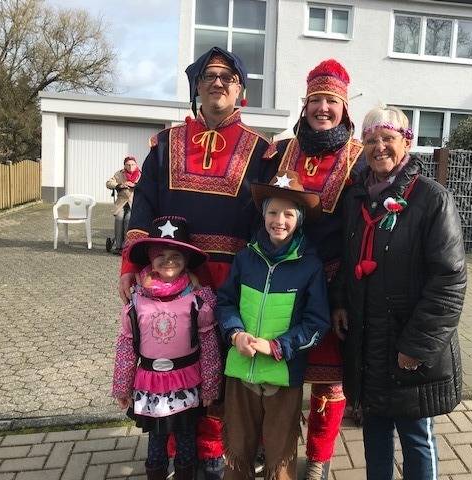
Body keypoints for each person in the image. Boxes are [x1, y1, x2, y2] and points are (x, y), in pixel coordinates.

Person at [117, 46, 276, 479]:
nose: (217, 82)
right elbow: (143, 206)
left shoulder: (262, 151)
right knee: (172, 365)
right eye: (209, 76)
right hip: (172, 281)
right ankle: (176, 452)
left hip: (233, 282)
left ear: (241, 90)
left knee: (222, 373)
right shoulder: (164, 145)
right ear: (196, 87)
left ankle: (215, 454)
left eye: (227, 76)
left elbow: (267, 223)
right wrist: (130, 266)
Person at [333, 106, 467, 480]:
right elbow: (347, 257)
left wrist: (417, 347)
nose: (379, 147)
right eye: (371, 140)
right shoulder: (357, 197)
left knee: (416, 435)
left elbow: (449, 281)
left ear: (406, 142)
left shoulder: (432, 198)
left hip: (407, 344)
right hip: (367, 342)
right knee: (374, 431)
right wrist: (340, 301)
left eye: (388, 138)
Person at [262, 59, 364, 480]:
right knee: (277, 370)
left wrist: (342, 295)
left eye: (331, 101)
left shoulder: (359, 159)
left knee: (328, 380)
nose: (323, 108)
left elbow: (360, 232)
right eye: (316, 100)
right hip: (281, 281)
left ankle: (319, 457)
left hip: (331, 283)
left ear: (344, 107)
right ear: (305, 105)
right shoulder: (279, 151)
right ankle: (277, 451)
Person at [217, 170, 331, 480]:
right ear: (263, 215)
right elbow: (225, 302)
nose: (279, 220)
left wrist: (278, 346)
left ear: (299, 220)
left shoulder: (310, 266)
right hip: (241, 371)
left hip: (283, 375)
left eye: (288, 214)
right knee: (237, 451)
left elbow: (317, 323)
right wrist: (235, 333)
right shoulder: (245, 258)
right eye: (273, 212)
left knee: (280, 457)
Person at [111, 216, 222, 480]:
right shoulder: (137, 300)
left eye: (175, 255)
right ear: (150, 258)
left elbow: (209, 347)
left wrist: (210, 386)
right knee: (156, 442)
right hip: (150, 383)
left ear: (186, 259)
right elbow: (126, 348)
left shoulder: (197, 300)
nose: (168, 261)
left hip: (186, 381)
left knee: (186, 439)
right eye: (160, 255)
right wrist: (122, 386)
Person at [106, 156, 141, 253]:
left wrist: (135, 185)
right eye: (128, 165)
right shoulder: (119, 174)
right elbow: (109, 183)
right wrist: (119, 185)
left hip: (134, 203)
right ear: (124, 165)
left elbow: (146, 185)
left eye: (133, 164)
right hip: (121, 202)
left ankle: (126, 246)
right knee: (119, 218)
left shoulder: (140, 174)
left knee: (128, 219)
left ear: (136, 165)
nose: (130, 167)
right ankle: (118, 246)